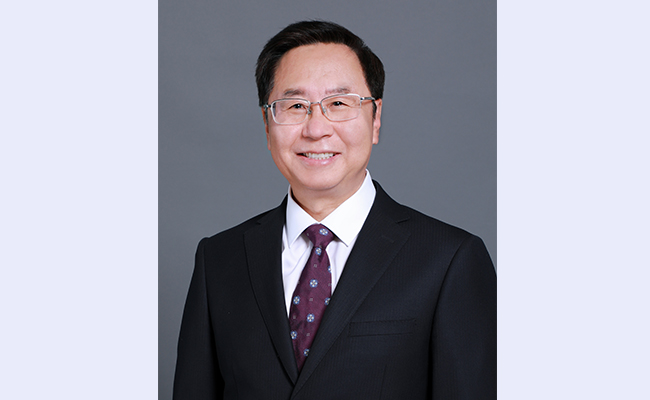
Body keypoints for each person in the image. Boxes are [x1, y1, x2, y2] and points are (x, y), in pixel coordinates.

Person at [173, 20, 496, 400]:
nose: (316, 129)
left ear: (375, 119)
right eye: (295, 106)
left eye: (339, 104)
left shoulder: (449, 260)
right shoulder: (218, 260)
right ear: (266, 123)